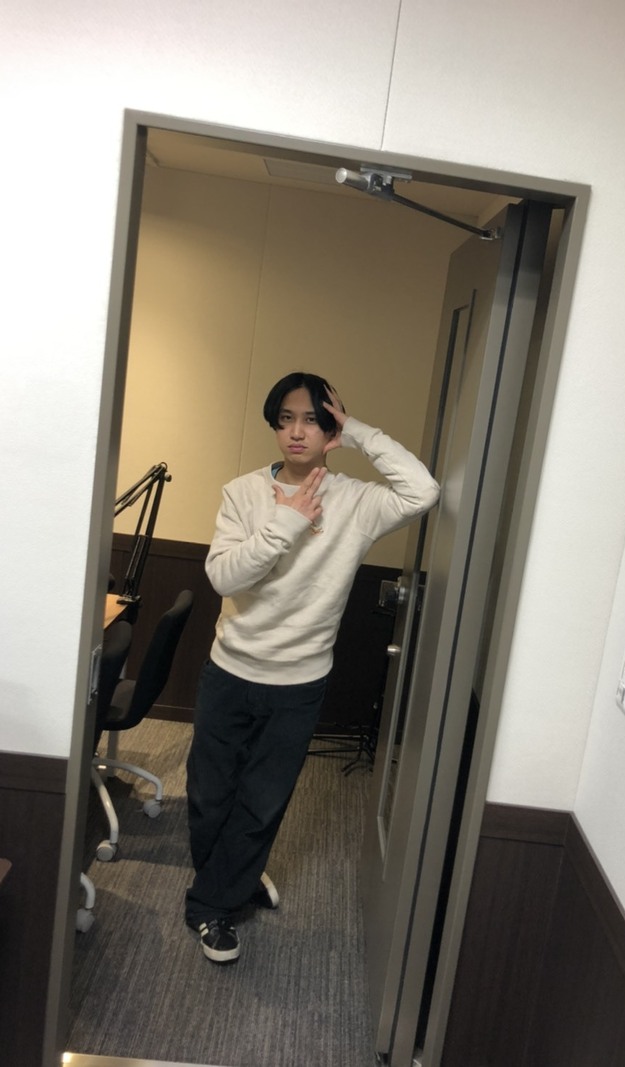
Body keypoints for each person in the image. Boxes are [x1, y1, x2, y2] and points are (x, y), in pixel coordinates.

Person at [185, 371, 440, 962]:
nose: (297, 432)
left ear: (330, 430)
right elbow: (224, 577)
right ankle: (233, 880)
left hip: (299, 682)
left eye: (312, 420)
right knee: (208, 795)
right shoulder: (243, 493)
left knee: (263, 800)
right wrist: (287, 522)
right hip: (230, 671)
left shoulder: (357, 502)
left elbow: (423, 491)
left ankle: (211, 907)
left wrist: (360, 431)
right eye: (286, 420)